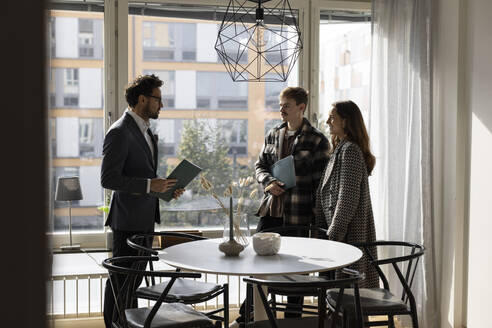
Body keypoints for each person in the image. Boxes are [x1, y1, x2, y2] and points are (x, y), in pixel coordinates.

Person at [231, 87, 330, 327]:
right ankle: (248, 317)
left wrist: (317, 222)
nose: (281, 109)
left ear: (301, 107)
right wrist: (268, 182)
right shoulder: (273, 134)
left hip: (299, 214)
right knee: (256, 264)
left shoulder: (317, 140)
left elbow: (322, 185)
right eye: (280, 104)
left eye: (286, 105)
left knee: (296, 269)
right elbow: (260, 165)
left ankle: (291, 321)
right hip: (271, 209)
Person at [100, 74, 185, 328]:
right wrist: (150, 185)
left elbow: (143, 175)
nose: (162, 105)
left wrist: (164, 189)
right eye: (158, 100)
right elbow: (109, 179)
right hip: (127, 221)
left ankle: (127, 324)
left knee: (133, 281)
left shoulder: (146, 131)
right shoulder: (119, 132)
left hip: (145, 218)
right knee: (121, 281)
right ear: (142, 99)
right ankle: (114, 325)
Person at [315, 100, 379, 288]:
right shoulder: (341, 148)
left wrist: (333, 234)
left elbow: (347, 197)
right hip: (341, 233)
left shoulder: (350, 150)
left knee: (349, 294)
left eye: (332, 117)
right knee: (343, 293)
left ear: (346, 121)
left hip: (348, 234)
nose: (327, 121)